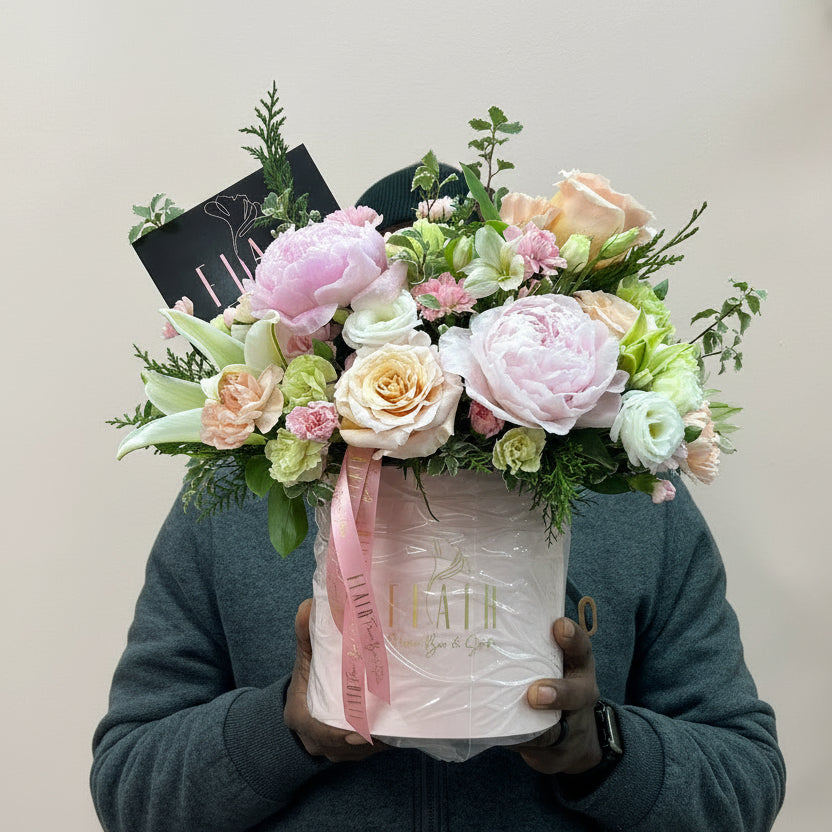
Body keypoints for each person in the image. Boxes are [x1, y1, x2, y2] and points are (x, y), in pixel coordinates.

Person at [91, 167, 785, 831]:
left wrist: (600, 747)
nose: (427, 345)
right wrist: (286, 725)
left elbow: (743, 783)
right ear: (330, 334)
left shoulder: (631, 495)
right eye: (387, 317)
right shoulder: (236, 498)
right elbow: (130, 788)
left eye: (446, 317)